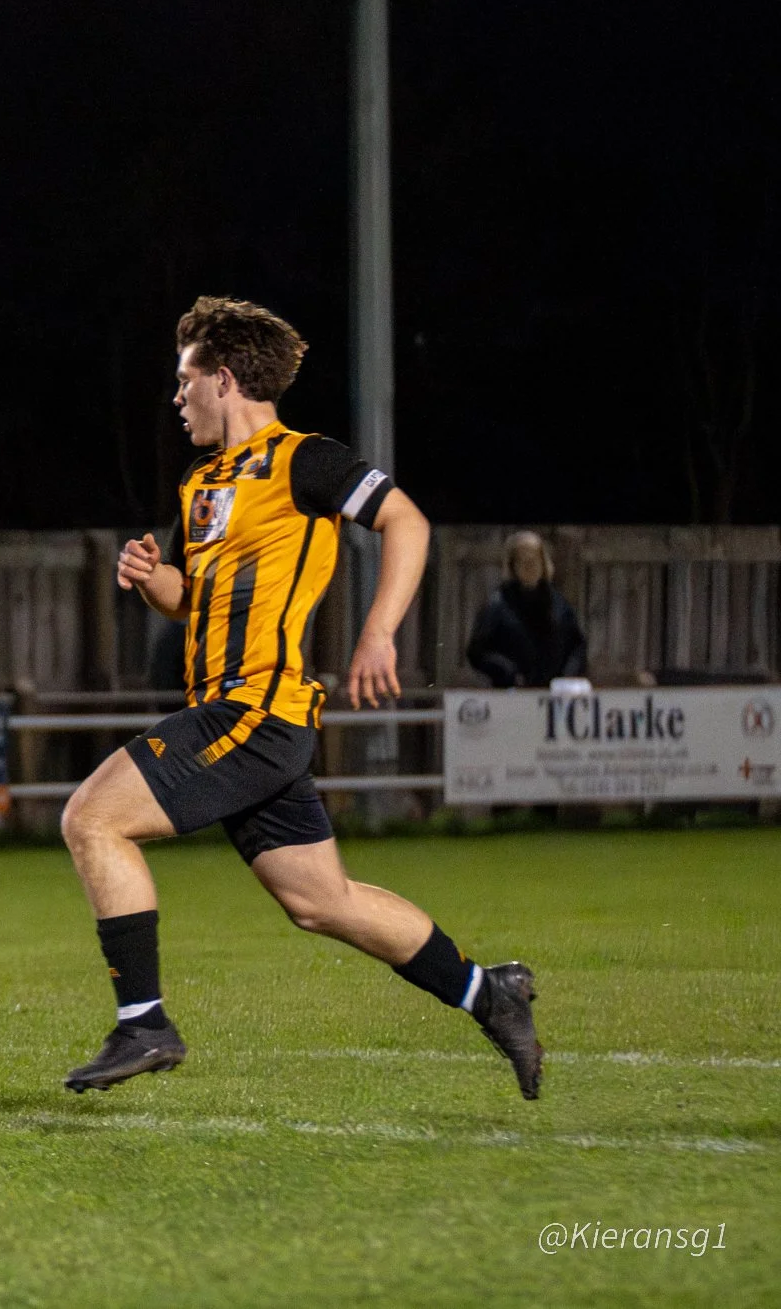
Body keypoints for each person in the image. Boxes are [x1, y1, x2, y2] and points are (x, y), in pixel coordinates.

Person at [58, 297, 544, 1100]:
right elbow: (193, 598)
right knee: (323, 902)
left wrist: (379, 631)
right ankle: (490, 993)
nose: (177, 397)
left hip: (253, 710)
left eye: (185, 380)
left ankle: (143, 1021)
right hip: (243, 713)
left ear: (223, 378)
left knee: (91, 817)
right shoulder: (200, 482)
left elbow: (408, 523)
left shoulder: (304, 461)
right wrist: (153, 580)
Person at [466, 530, 587, 687]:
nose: (529, 566)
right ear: (513, 566)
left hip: (552, 696)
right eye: (522, 561)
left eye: (534, 560)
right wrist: (506, 672)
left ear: (543, 562)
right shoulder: (497, 605)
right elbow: (477, 652)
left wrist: (568, 677)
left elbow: (577, 646)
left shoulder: (559, 604)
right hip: (512, 695)